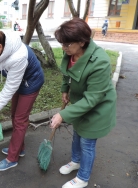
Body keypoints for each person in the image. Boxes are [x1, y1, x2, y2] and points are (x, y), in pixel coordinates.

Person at [50, 18, 116, 188]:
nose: (63, 48)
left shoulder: (100, 61)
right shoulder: (71, 51)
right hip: (80, 102)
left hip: (97, 107)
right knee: (77, 135)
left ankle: (83, 178)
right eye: (62, 44)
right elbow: (67, 73)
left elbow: (93, 98)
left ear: (81, 41)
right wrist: (65, 89)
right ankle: (75, 162)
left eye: (67, 44)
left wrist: (62, 115)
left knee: (87, 142)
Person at [0, 28, 44, 171]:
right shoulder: (3, 45)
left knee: (20, 120)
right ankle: (19, 148)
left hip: (31, 83)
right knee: (14, 115)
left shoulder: (17, 57)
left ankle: (12, 158)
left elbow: (10, 87)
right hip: (19, 81)